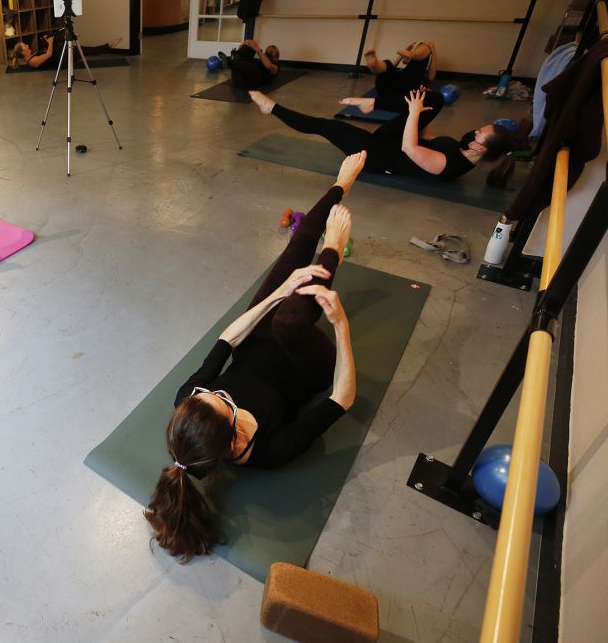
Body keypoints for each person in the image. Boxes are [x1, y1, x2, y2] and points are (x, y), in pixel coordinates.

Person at [145, 153, 365, 561]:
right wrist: (340, 325)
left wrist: (280, 292)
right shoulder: (268, 453)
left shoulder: (188, 400)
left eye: (204, 393)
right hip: (305, 368)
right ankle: (334, 247)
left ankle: (339, 185)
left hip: (256, 344)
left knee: (293, 257)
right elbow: (342, 399)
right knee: (289, 324)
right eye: (221, 398)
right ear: (231, 432)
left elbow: (227, 341)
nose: (209, 389)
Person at [250, 87, 511, 181]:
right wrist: (421, 111)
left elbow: (411, 149)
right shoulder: (466, 150)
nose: (474, 131)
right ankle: (371, 104)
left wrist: (413, 113)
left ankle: (271, 107)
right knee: (433, 99)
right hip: (396, 144)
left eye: (479, 133)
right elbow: (427, 141)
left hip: (381, 158)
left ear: (481, 149)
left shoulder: (449, 165)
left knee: (327, 126)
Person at [364, 41, 437, 97]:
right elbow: (431, 78)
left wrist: (433, 52)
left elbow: (430, 78)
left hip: (388, 89)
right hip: (397, 87)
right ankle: (375, 64)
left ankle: (375, 65)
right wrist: (433, 52)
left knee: (387, 66)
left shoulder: (417, 66)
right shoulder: (416, 68)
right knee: (388, 66)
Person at [10, 33, 123, 69]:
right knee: (84, 51)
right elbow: (48, 55)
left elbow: (47, 51)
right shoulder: (33, 62)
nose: (27, 45)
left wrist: (47, 41)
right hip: (62, 62)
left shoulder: (33, 55)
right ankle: (108, 46)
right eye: (25, 46)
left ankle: (71, 36)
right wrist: (49, 43)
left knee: (84, 49)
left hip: (61, 56)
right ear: (22, 52)